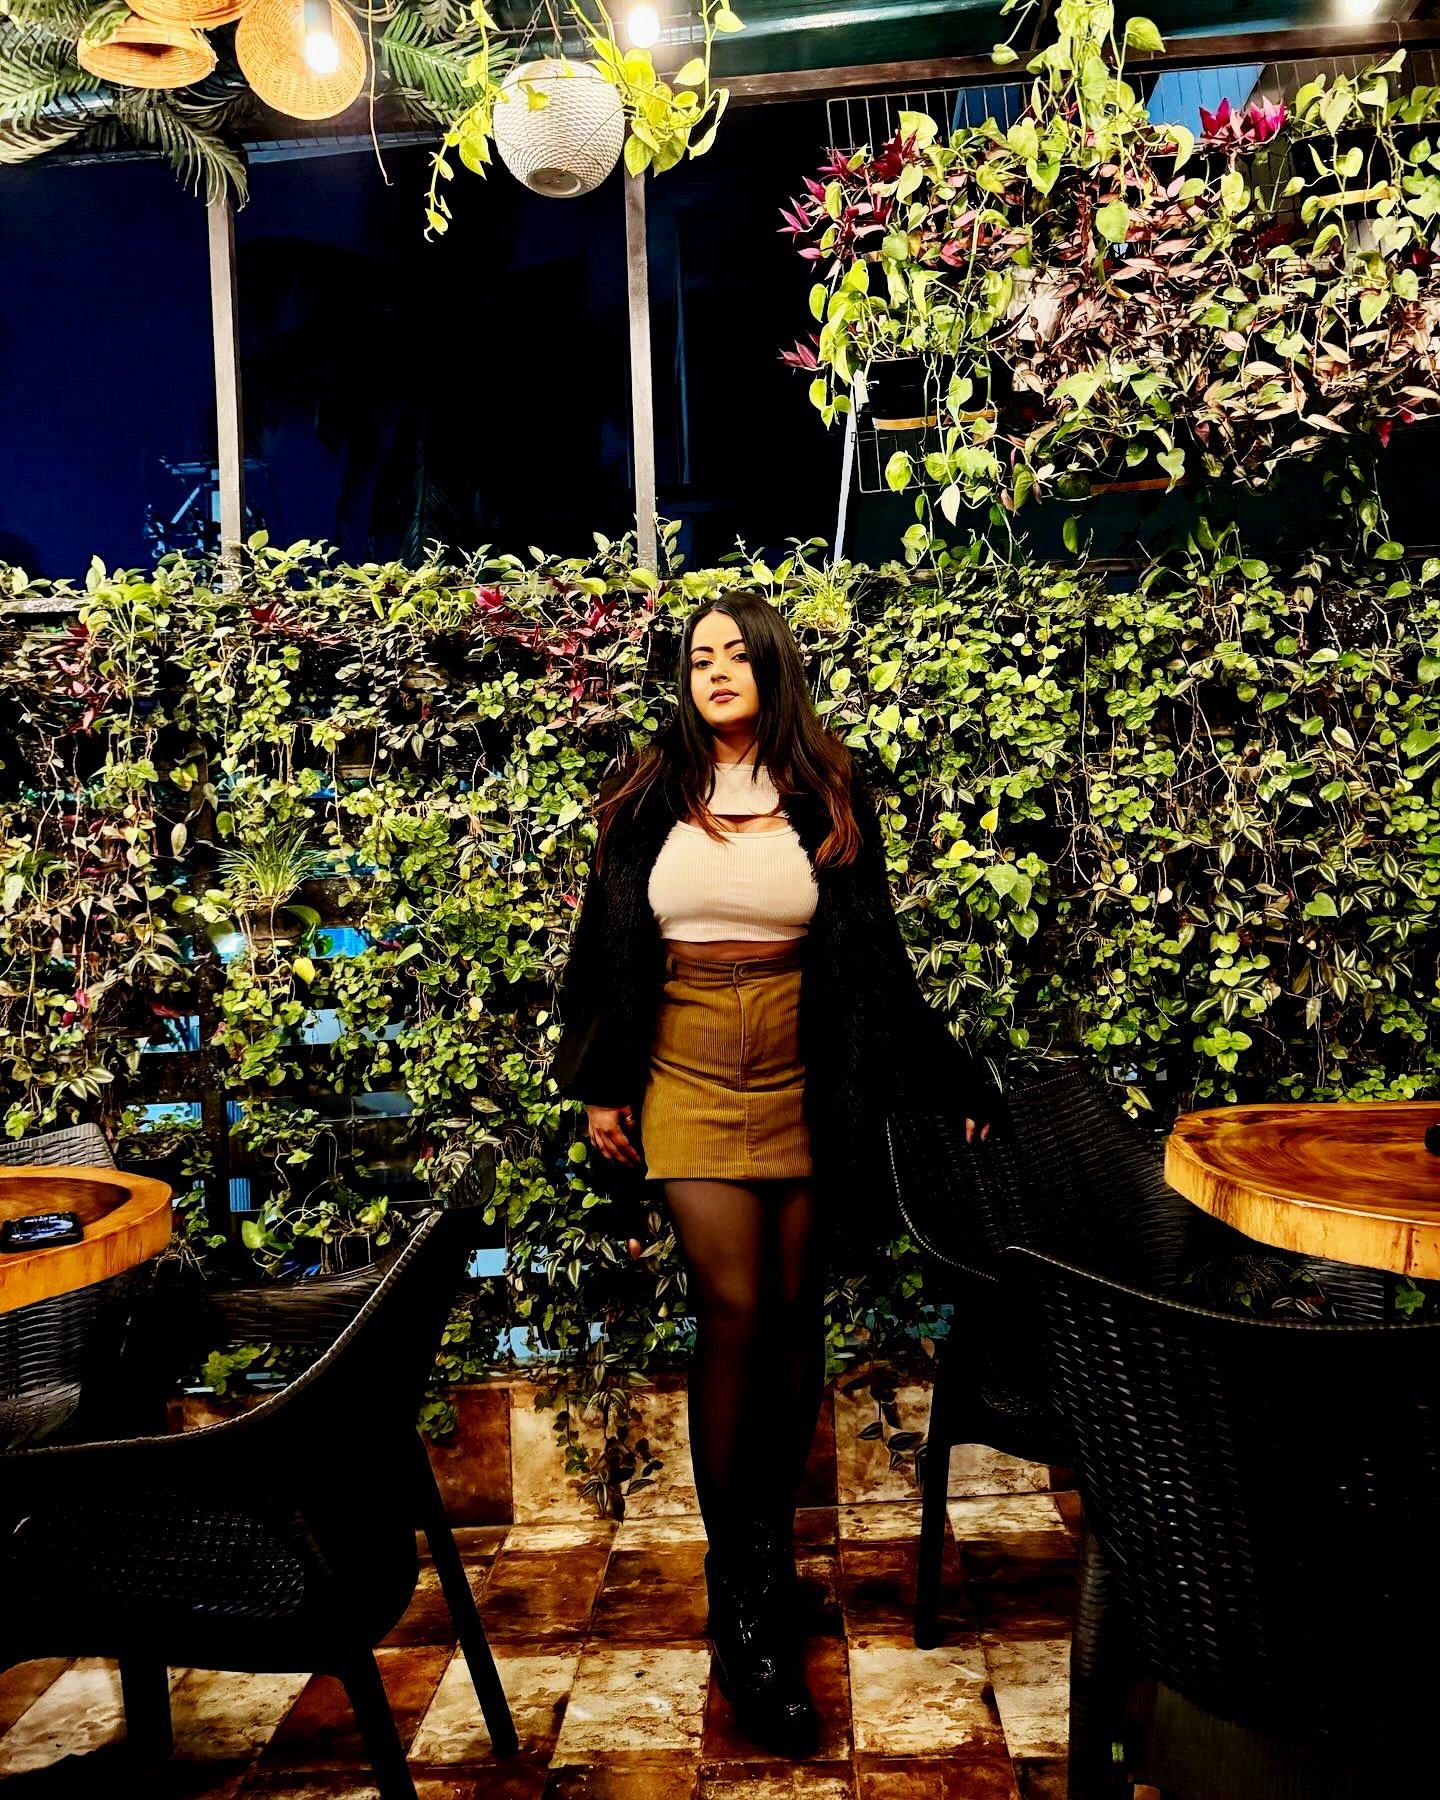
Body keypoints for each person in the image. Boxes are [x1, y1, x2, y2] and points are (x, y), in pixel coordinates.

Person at [550, 593, 993, 1756]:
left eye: (736, 655)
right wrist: (602, 1082)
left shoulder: (826, 787)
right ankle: (744, 1606)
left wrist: (953, 1077)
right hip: (685, 1062)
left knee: (797, 1314)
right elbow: (605, 947)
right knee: (737, 1307)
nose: (716, 671)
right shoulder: (648, 791)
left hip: (804, 1065)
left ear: (771, 670)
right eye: (699, 657)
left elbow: (875, 954)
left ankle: (768, 1555)